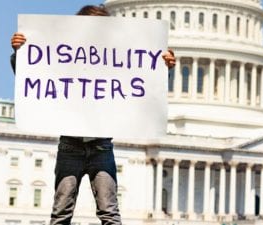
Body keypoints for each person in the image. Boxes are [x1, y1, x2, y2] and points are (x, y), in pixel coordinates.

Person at [10, 5, 176, 225]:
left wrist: (164, 66)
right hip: (70, 145)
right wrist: (20, 53)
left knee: (109, 213)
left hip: (101, 146)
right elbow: (33, 74)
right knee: (61, 212)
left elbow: (142, 78)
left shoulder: (114, 57)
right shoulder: (66, 56)